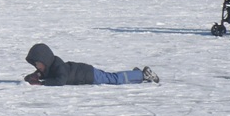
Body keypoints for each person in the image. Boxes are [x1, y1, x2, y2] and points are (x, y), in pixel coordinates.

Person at [25, 43, 159, 86]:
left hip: (89, 75)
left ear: (45, 60)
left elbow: (60, 80)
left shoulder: (57, 66)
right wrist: (33, 76)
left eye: (38, 64)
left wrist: (41, 83)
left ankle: (142, 74)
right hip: (85, 72)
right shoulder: (50, 66)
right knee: (112, 77)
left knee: (114, 79)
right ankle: (134, 74)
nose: (37, 67)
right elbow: (45, 75)